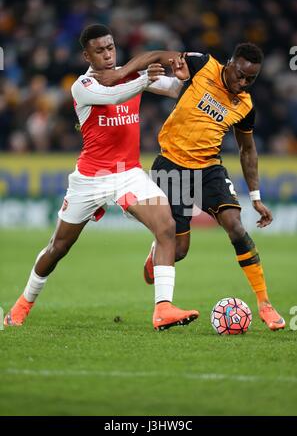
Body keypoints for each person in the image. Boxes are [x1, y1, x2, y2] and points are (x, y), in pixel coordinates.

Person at [4, 24, 199, 331]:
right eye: (100, 50)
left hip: (127, 174)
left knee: (166, 226)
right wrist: (144, 76)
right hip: (91, 178)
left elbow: (174, 90)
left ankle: (163, 308)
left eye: (110, 48)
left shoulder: (131, 74)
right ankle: (24, 302)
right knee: (59, 247)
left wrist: (185, 78)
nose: (108, 54)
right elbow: (116, 95)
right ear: (87, 54)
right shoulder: (82, 85)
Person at [96, 42, 286, 331]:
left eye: (251, 79)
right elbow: (156, 54)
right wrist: (121, 72)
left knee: (235, 225)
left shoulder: (245, 105)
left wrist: (256, 197)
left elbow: (248, 150)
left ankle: (264, 304)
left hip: (208, 168)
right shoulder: (202, 64)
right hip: (171, 165)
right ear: (230, 63)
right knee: (179, 248)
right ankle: (157, 253)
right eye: (240, 74)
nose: (243, 82)